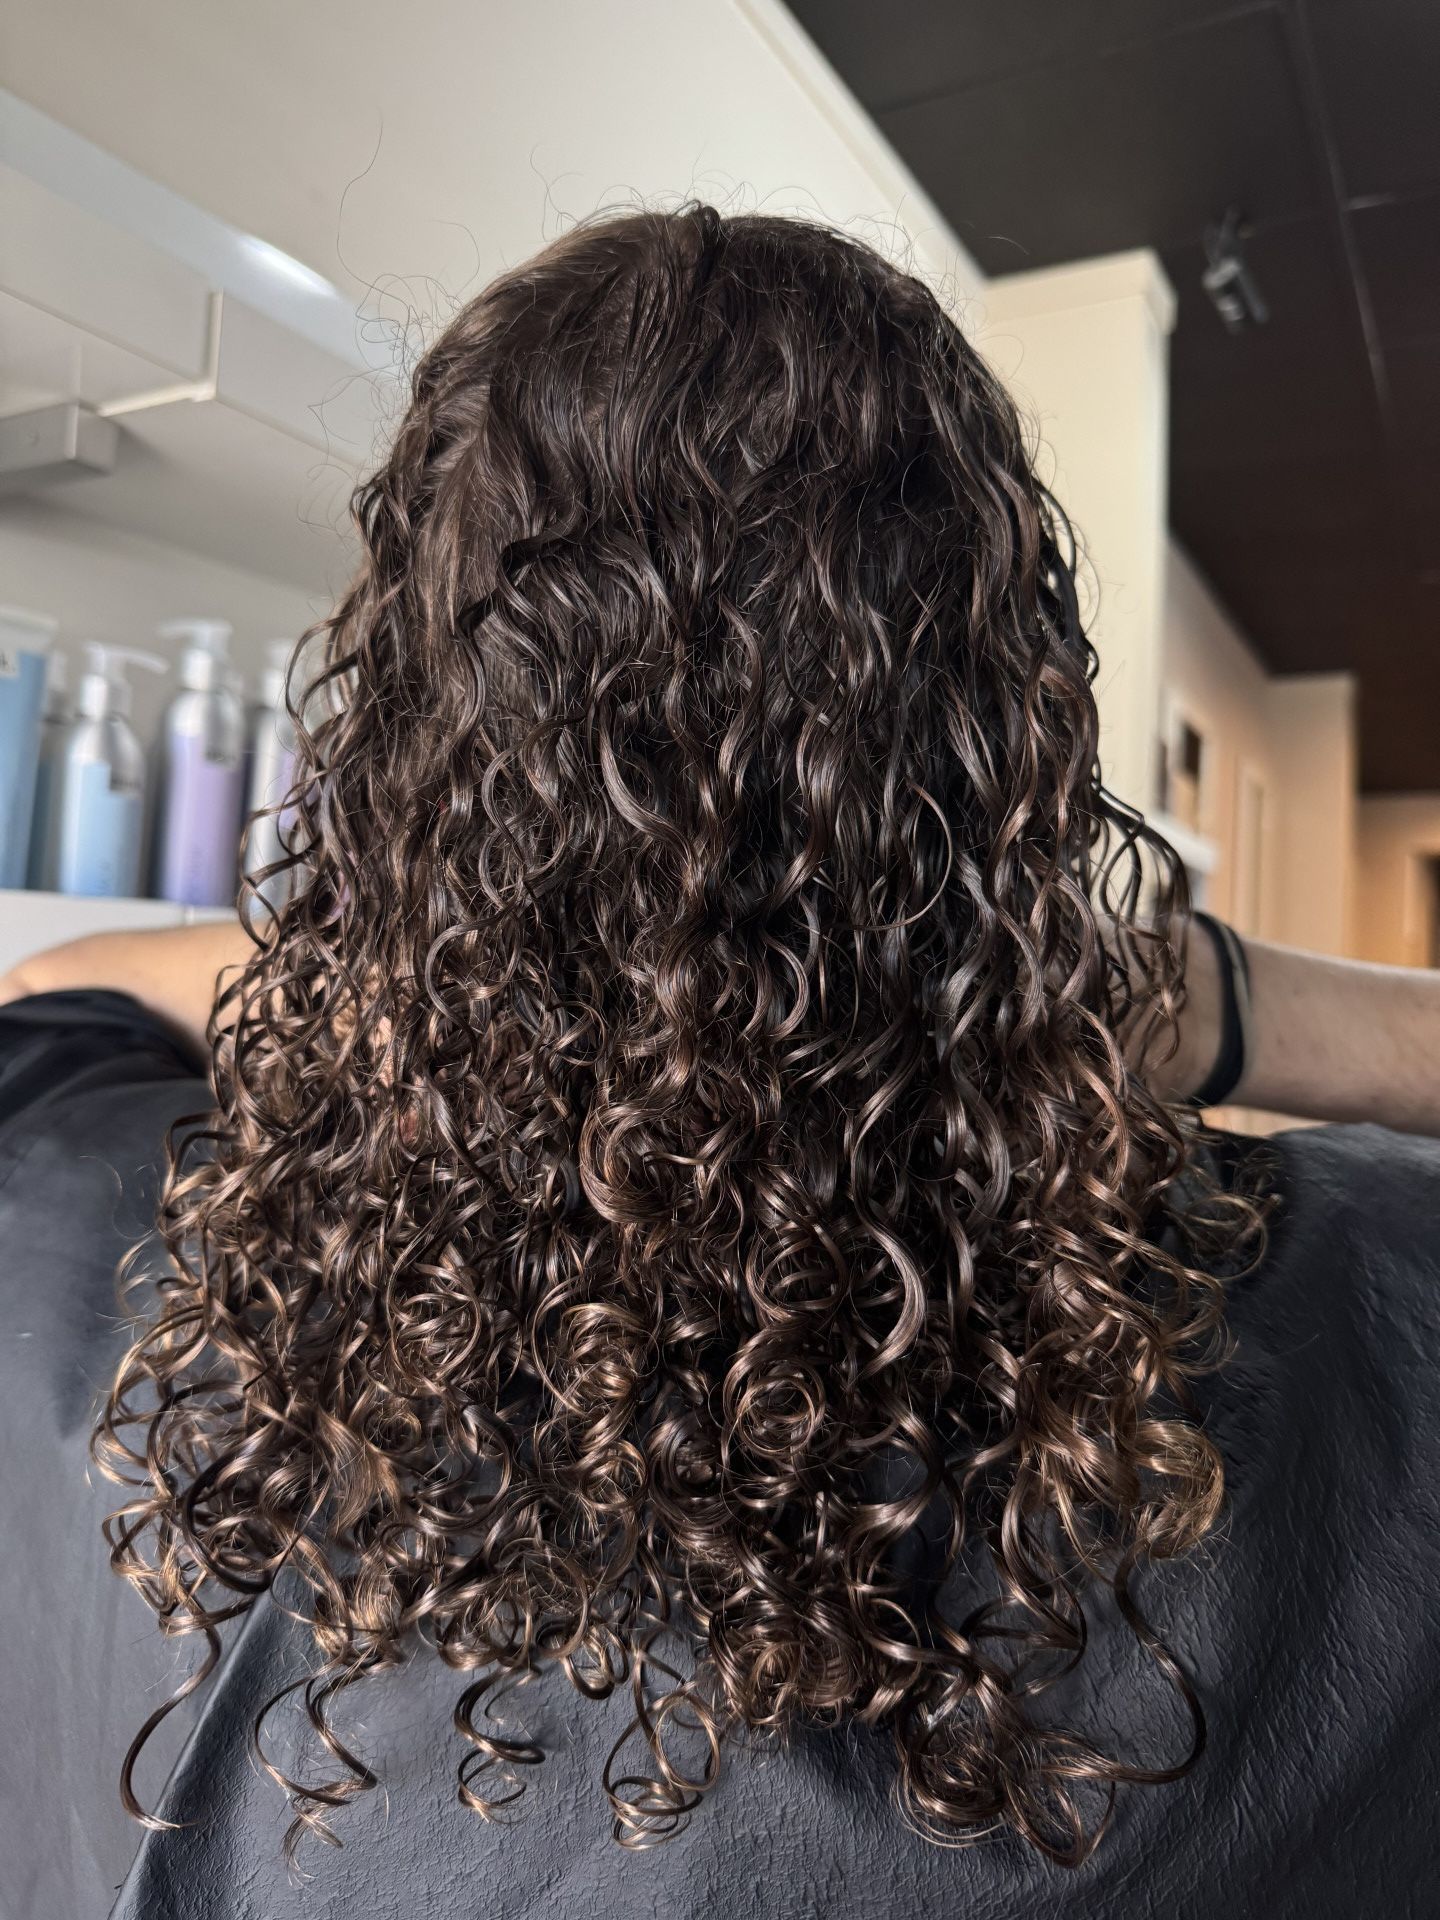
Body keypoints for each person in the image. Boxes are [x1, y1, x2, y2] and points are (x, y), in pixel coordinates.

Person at [2, 206, 1438, 1920]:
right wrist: (1192, 997)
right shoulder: (1357, 1329)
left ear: (415, 738)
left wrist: (494, 986)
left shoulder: (127, 1278)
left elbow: (63, 985)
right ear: (1008, 734)